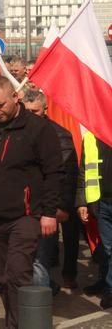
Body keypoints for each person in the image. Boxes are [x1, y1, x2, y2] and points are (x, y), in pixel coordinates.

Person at [0, 76, 64, 329]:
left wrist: (49, 213)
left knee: (18, 274)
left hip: (25, 216)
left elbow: (54, 172)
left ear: (15, 97)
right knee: (4, 278)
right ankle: (15, 322)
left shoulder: (38, 129)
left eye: (1, 105)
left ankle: (25, 324)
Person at [23, 90, 79, 292]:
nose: (30, 115)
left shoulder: (60, 134)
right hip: (27, 205)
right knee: (36, 256)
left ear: (45, 109)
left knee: (43, 255)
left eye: (35, 111)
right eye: (26, 110)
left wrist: (63, 205)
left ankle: (45, 297)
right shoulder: (18, 132)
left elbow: (67, 173)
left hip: (51, 203)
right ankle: (46, 287)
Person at [76, 131, 112, 308]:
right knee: (108, 248)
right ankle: (108, 286)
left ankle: (110, 289)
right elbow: (84, 171)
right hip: (101, 203)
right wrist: (81, 202)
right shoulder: (90, 136)